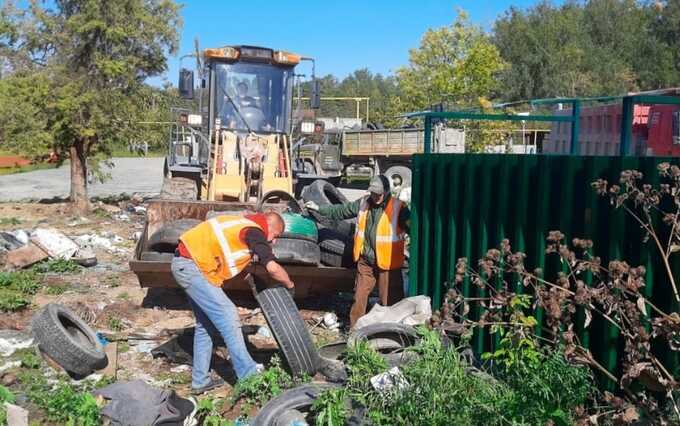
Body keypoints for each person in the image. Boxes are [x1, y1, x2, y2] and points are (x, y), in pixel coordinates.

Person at [170, 211, 295, 394]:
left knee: (205, 326)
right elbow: (272, 267)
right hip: (192, 267)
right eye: (275, 235)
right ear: (269, 226)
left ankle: (200, 381)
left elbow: (229, 248)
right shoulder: (254, 231)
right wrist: (290, 284)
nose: (274, 241)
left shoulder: (241, 223)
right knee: (228, 315)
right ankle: (249, 376)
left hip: (186, 264)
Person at [306, 175, 409, 327]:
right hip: (366, 260)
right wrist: (319, 208)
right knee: (359, 298)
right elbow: (341, 211)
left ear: (387, 191)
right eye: (373, 193)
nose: (376, 197)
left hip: (388, 263)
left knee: (389, 301)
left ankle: (392, 331)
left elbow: (414, 228)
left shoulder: (399, 208)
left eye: (379, 194)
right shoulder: (363, 203)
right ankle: (355, 332)